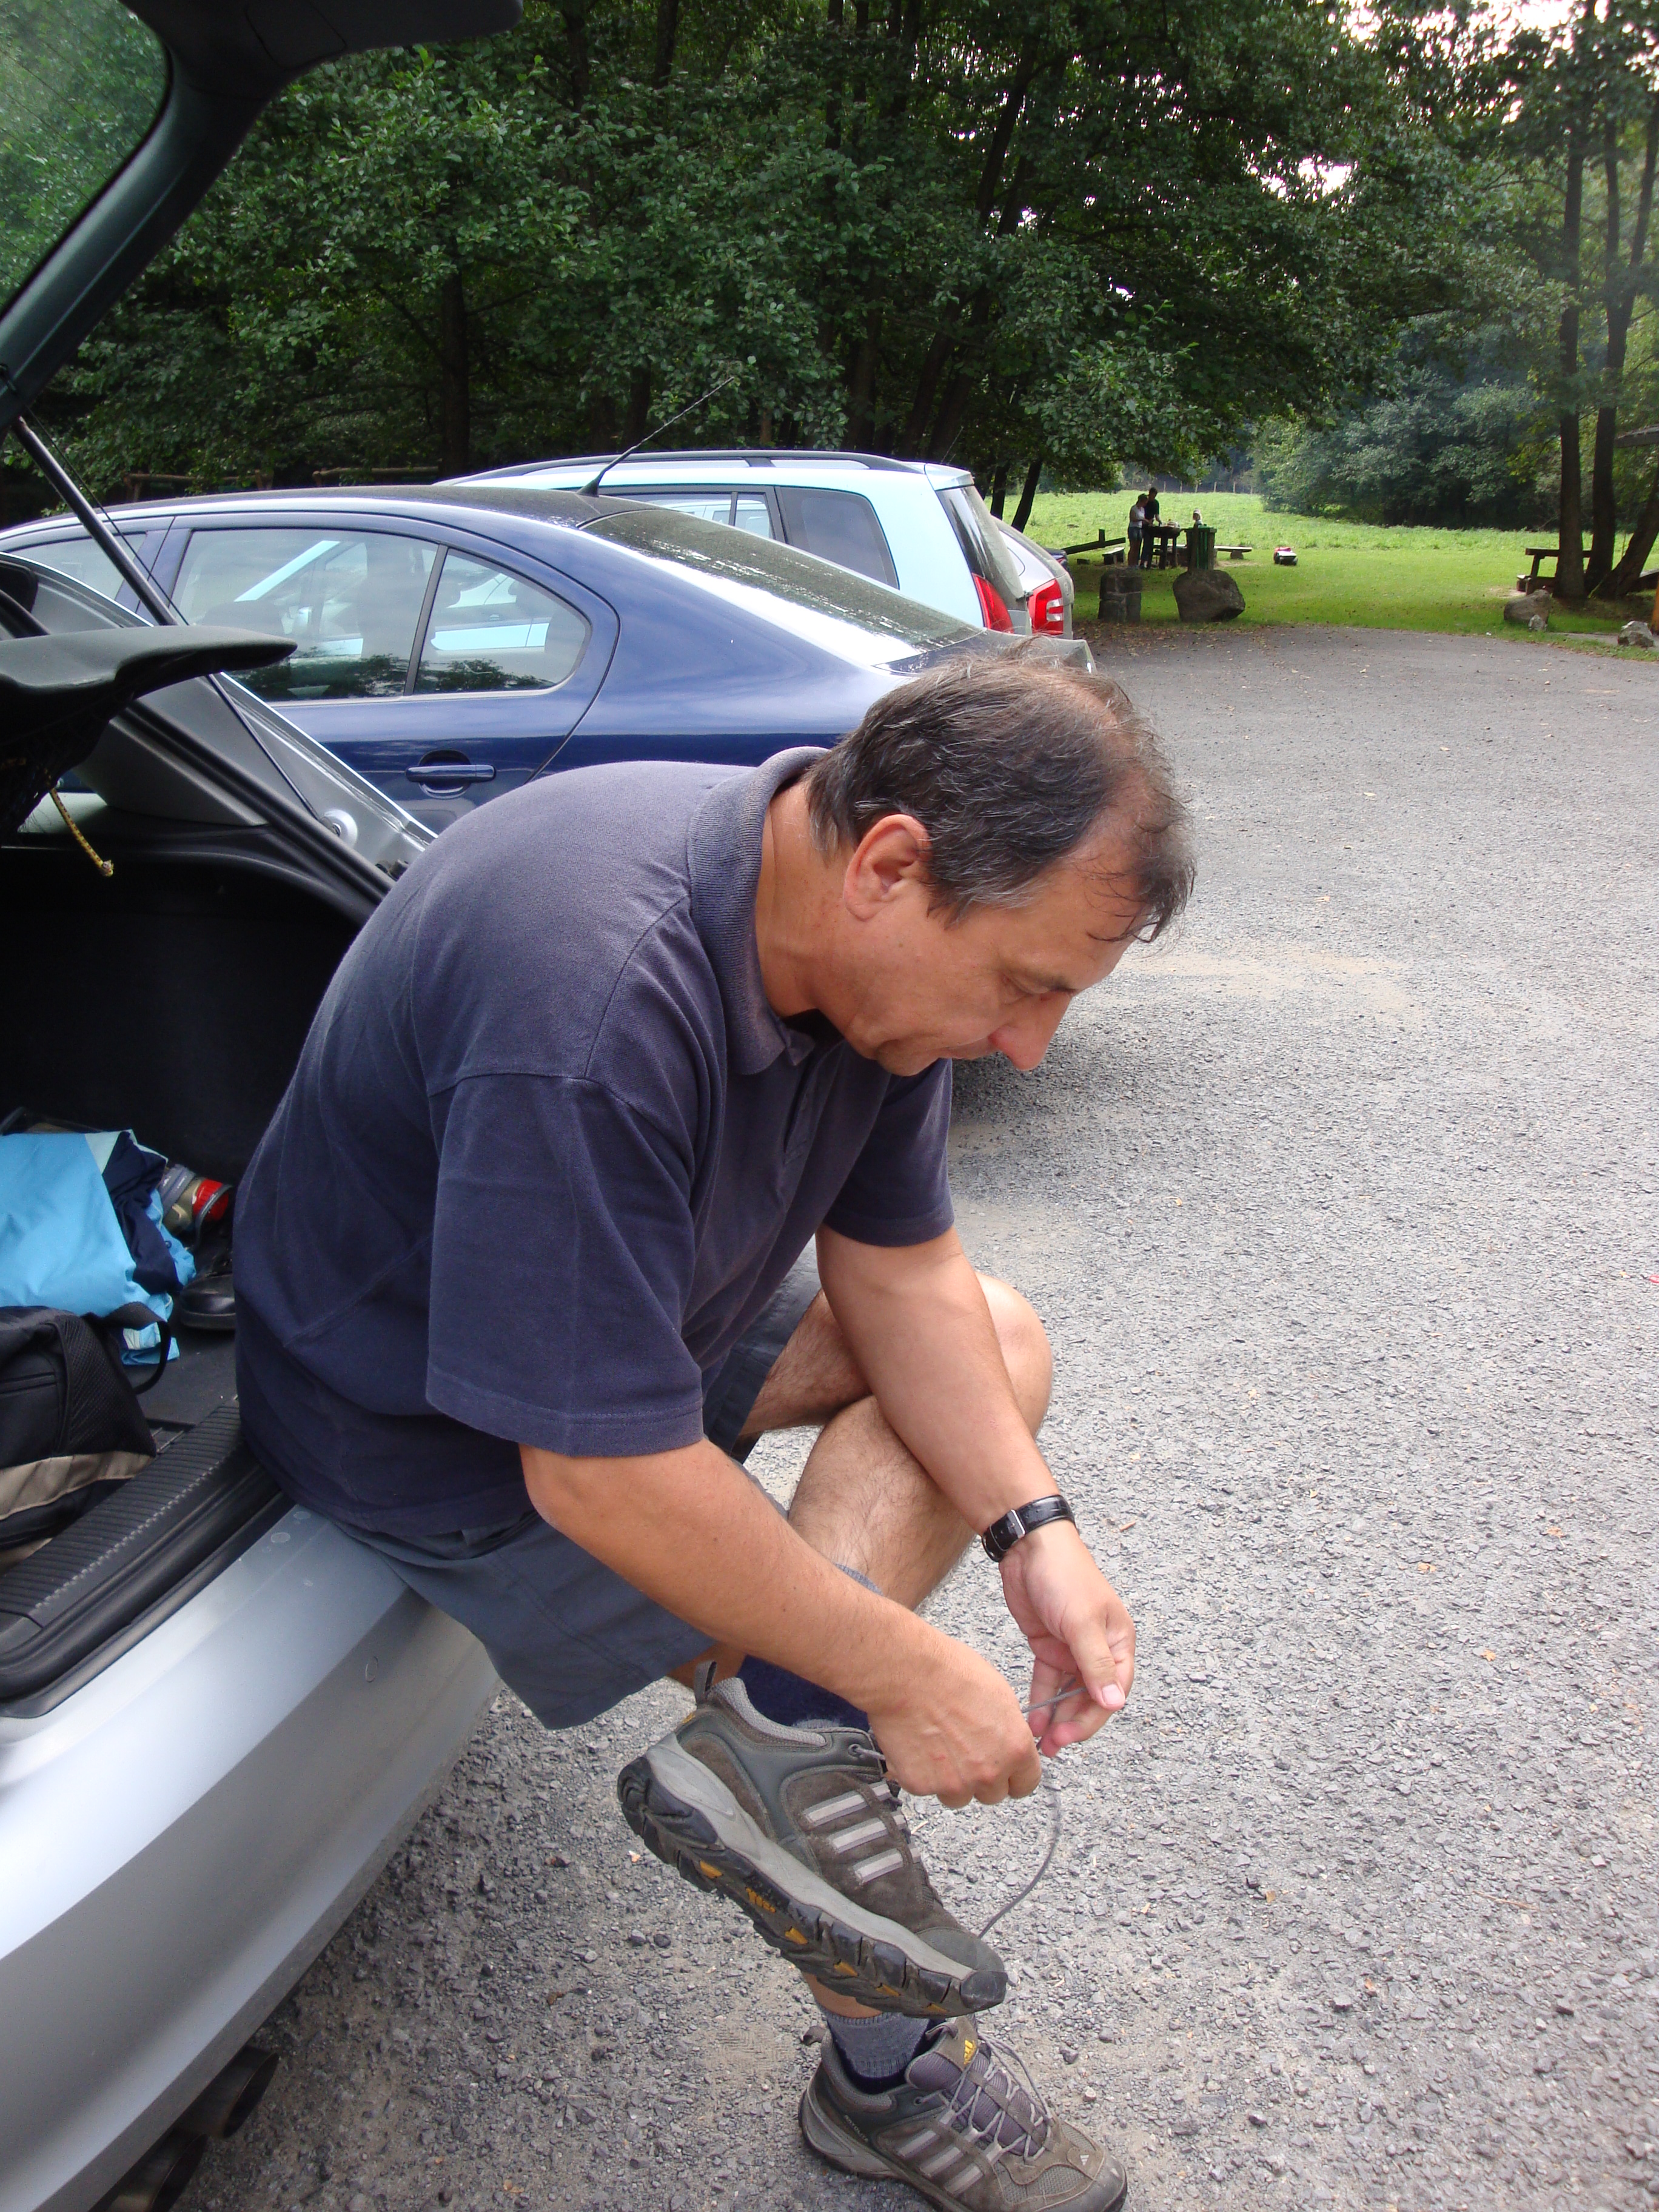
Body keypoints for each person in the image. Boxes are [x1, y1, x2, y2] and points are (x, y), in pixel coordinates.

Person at [235, 649, 1193, 2212]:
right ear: (892, 866)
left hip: (635, 1321)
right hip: (432, 1427)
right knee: (822, 1725)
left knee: (997, 1340)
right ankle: (885, 2074)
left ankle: (776, 1743)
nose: (1027, 1046)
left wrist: (1038, 1533)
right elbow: (595, 1474)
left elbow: (904, 1279)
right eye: (1027, 985)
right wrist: (900, 1672)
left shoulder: (863, 966)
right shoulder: (594, 988)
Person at [1126, 494, 1146, 567]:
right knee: (1133, 547)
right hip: (1133, 528)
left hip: (1139, 528)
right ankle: (1130, 563)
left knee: (1138, 547)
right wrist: (1142, 519)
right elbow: (1133, 519)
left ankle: (1135, 563)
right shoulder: (1134, 509)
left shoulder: (1143, 510)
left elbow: (1143, 519)